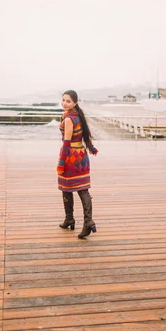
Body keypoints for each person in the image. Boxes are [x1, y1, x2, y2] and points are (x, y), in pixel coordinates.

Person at [57, 90, 98, 239]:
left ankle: (72, 218)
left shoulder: (68, 118)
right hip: (82, 156)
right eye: (63, 100)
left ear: (74, 103)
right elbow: (85, 135)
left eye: (68, 101)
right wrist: (91, 148)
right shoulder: (78, 115)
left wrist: (61, 162)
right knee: (82, 188)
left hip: (71, 157)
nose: (64, 103)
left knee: (66, 187)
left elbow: (67, 142)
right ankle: (84, 221)